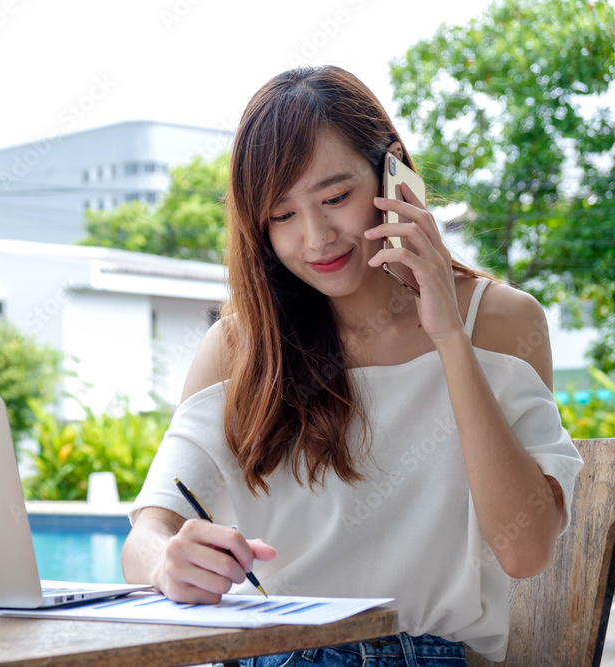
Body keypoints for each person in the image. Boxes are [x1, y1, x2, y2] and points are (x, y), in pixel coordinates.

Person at [121, 66, 585, 666]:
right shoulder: (239, 347)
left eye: (335, 197)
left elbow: (525, 552)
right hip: (273, 654)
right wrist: (167, 561)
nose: (315, 238)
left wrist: (447, 335)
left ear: (394, 173)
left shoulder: (500, 321)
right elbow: (147, 534)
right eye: (281, 215)